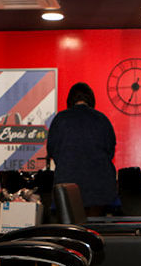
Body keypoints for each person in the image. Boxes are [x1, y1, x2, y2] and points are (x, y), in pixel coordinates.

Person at [46, 82, 117, 215]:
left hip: (68, 190)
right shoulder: (102, 119)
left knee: (71, 226)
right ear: (91, 99)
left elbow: (52, 151)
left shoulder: (60, 119)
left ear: (70, 100)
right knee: (97, 226)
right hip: (100, 191)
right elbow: (110, 151)